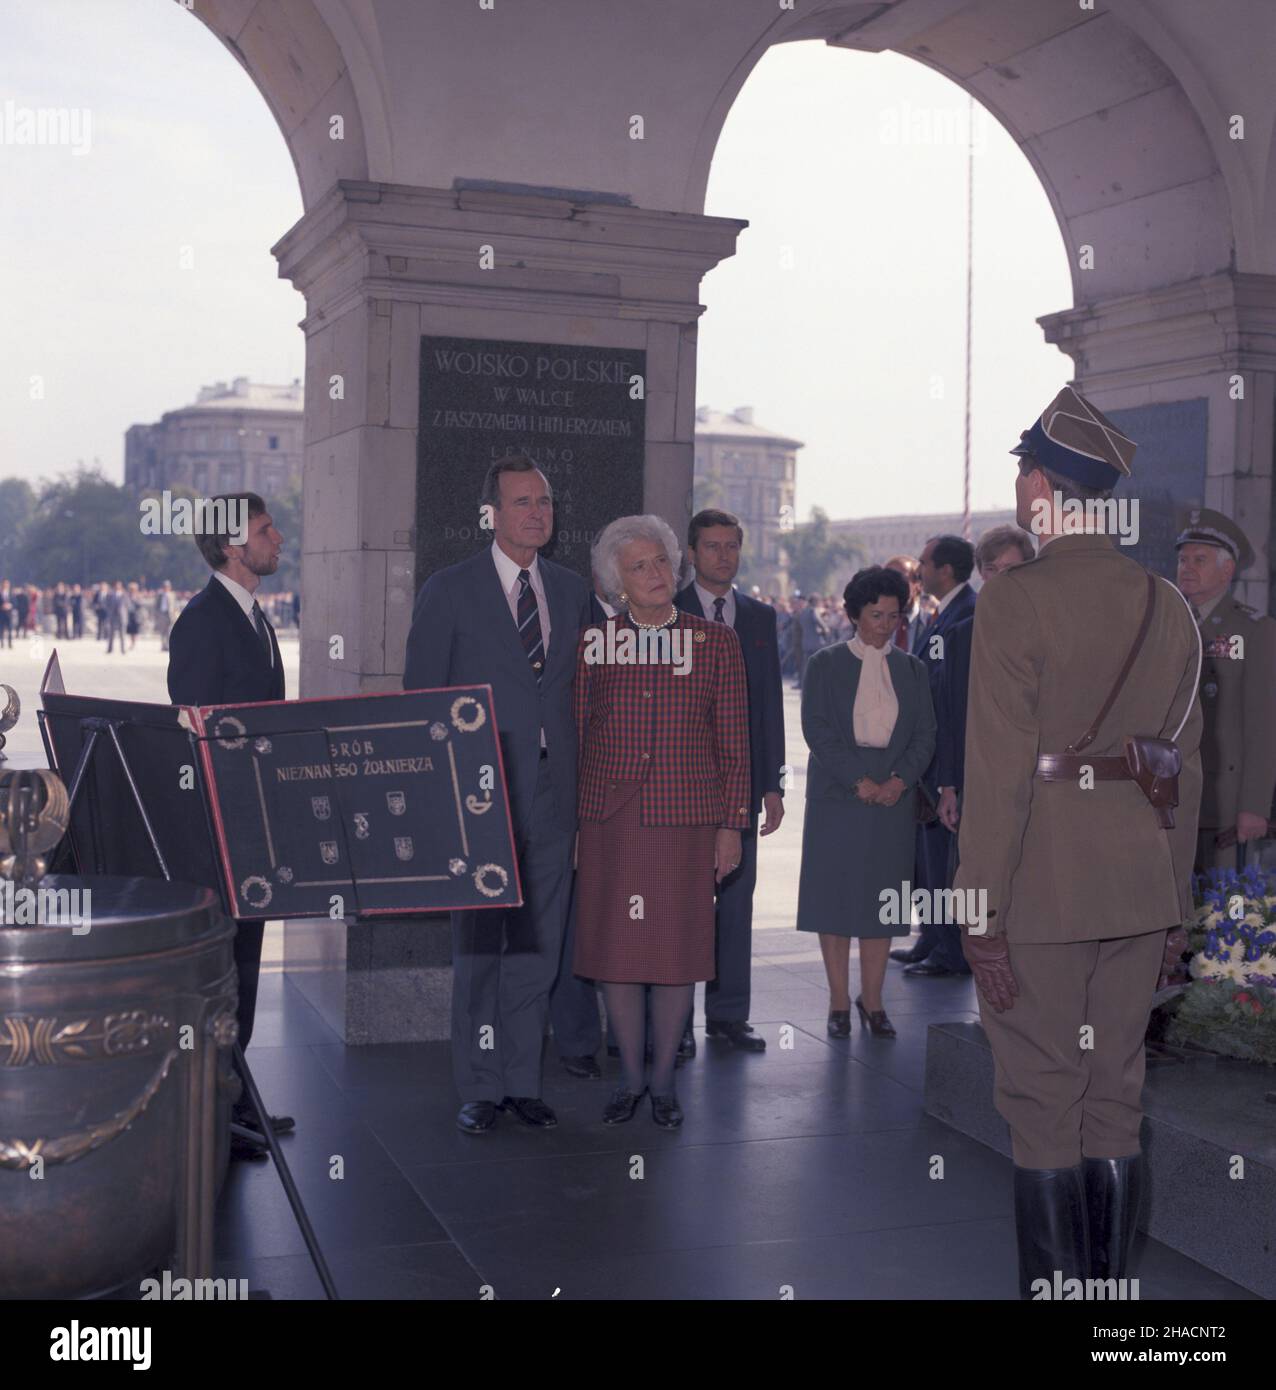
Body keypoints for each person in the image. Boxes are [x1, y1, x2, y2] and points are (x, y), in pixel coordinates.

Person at [954, 386, 1202, 1299]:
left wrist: (977, 911)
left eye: (1024, 468)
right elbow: (1185, 771)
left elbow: (1000, 776)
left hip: (1042, 890)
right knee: (1114, 1098)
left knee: (1040, 1103)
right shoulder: (1166, 603)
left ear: (1047, 486)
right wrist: (1173, 903)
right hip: (1138, 884)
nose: (1019, 485)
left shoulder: (1017, 601)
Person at [405, 455, 590, 1136]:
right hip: (477, 794)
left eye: (545, 502)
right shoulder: (449, 590)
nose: (538, 514)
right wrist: (437, 797)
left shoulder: (571, 592)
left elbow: (583, 697)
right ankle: (479, 1084)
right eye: (522, 503)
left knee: (537, 948)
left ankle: (521, 1080)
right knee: (480, 948)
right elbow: (422, 699)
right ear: (492, 513)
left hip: (552, 793)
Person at [573, 514, 750, 1129]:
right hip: (611, 822)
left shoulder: (716, 643)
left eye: (660, 562)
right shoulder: (595, 642)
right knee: (617, 952)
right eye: (637, 566)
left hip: (687, 820)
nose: (653, 574)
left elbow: (734, 741)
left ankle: (666, 1082)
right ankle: (628, 1080)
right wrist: (572, 826)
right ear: (616, 581)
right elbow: (575, 734)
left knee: (678, 952)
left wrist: (732, 825)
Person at [167, 491, 293, 1158]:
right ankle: (217, 1110)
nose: (280, 538)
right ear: (231, 547)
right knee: (226, 967)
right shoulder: (202, 621)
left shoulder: (253, 618)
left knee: (246, 960)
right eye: (267, 530)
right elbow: (194, 730)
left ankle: (237, 1098)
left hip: (253, 822)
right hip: (220, 829)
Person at [796, 566, 936, 1038]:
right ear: (855, 614)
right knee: (833, 901)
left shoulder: (913, 669)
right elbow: (817, 730)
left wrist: (899, 781)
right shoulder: (825, 664)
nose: (886, 624)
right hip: (838, 795)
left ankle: (872, 1000)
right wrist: (858, 779)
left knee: (884, 903)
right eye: (876, 615)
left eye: (894, 615)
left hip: (893, 798)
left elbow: (925, 734)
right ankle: (838, 1001)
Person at [892, 527, 1035, 972]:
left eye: (1008, 569)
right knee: (936, 861)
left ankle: (956, 947)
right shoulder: (961, 625)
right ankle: (939, 940)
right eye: (991, 569)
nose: (998, 578)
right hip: (949, 763)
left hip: (1009, 772)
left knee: (962, 866)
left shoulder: (985, 618)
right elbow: (947, 701)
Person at [675, 509, 786, 1053]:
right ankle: (674, 1022)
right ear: (692, 554)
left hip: (741, 788)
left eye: (732, 545)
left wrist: (774, 786)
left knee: (737, 902)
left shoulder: (761, 619)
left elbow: (769, 706)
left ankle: (728, 1014)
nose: (724, 555)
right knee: (683, 901)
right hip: (681, 787)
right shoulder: (667, 613)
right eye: (713, 546)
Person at [1174, 508, 1276, 870]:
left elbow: (1263, 728)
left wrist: (1254, 806)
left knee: (1223, 914)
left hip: (1226, 805)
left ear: (1227, 569)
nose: (1187, 567)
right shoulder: (1167, 624)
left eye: (1199, 559)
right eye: (1183, 559)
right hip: (1171, 798)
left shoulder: (1254, 630)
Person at [896, 534, 978, 978]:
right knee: (925, 860)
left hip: (946, 759)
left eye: (924, 563)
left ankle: (951, 949)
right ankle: (930, 936)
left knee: (945, 860)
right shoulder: (944, 613)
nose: (919, 571)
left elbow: (949, 694)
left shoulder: (967, 615)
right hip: (927, 761)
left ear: (945, 570)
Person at [885, 555, 925, 652]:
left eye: (901, 580)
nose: (893, 586)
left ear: (918, 585)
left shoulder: (932, 624)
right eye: (887, 581)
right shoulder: (870, 627)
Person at [794, 593, 830, 689]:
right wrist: (825, 629)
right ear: (816, 602)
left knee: (806, 667)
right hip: (817, 643)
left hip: (805, 643)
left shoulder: (802, 612)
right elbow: (818, 621)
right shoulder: (813, 611)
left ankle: (806, 686)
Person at [104, 582, 128, 655]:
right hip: (113, 616)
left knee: (122, 634)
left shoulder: (124, 595)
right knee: (111, 633)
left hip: (122, 616)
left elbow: (127, 605)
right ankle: (110, 649)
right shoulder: (110, 595)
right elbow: (107, 604)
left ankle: (123, 649)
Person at [155, 580, 175, 652]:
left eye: (167, 586)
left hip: (169, 615)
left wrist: (174, 614)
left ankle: (168, 645)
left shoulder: (172, 595)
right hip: (162, 614)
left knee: (169, 631)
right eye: (164, 586)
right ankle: (163, 645)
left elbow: (174, 605)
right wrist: (157, 614)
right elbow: (156, 605)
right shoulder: (160, 595)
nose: (166, 588)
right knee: (162, 631)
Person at [0, 580, 12, 648]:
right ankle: (2, 643)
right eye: (5, 583)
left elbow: (15, 602)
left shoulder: (10, 593)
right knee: (1, 629)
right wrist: (2, 606)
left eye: (7, 583)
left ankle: (10, 643)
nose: (6, 585)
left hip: (9, 614)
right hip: (2, 614)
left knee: (10, 629)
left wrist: (11, 605)